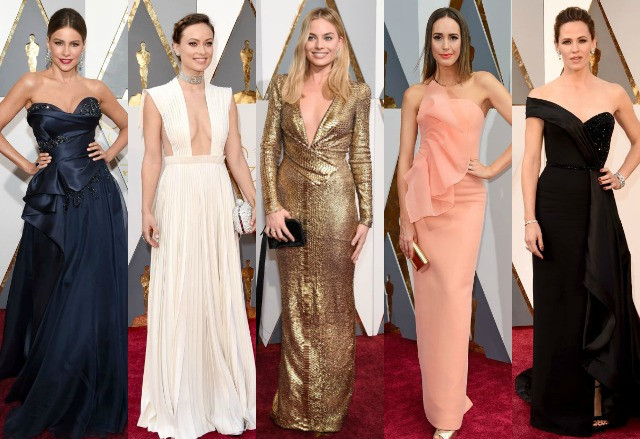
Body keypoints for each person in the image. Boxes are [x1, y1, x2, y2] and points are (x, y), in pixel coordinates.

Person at [0, 8, 127, 438]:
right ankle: (50, 374)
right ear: (48, 43)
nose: (66, 51)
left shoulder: (95, 88)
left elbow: (127, 126)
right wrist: (26, 165)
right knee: (52, 289)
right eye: (59, 43)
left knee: (87, 292)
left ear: (83, 45)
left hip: (96, 199)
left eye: (74, 44)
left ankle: (82, 376)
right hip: (52, 204)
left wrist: (109, 153)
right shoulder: (31, 84)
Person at [518, 7, 640, 436]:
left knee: (600, 293)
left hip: (597, 206)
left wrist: (621, 175)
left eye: (581, 40)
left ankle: (597, 393)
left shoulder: (614, 93)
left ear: (594, 44)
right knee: (561, 301)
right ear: (557, 46)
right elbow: (530, 161)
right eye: (566, 41)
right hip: (553, 206)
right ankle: (562, 398)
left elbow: (639, 139)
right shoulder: (541, 95)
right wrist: (529, 220)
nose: (574, 48)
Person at [137, 13, 256, 438]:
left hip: (215, 195)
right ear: (176, 46)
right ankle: (181, 398)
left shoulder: (225, 97)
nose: (201, 51)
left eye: (207, 43)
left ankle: (219, 395)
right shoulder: (157, 97)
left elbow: (235, 156)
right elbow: (152, 157)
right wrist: (146, 209)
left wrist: (255, 201)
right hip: (178, 195)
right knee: (182, 289)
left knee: (218, 289)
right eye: (192, 43)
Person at [396, 7, 511, 439]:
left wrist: (492, 167)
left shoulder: (483, 83)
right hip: (424, 206)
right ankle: (442, 402)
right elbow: (405, 161)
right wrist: (405, 221)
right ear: (429, 43)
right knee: (430, 308)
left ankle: (448, 414)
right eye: (438, 37)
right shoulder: (414, 95)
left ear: (464, 42)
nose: (446, 46)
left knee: (455, 300)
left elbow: (529, 123)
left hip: (466, 201)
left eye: (453, 37)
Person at [260, 7, 372, 432]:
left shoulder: (357, 93)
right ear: (302, 42)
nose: (319, 45)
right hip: (288, 208)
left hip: (337, 208)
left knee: (335, 307)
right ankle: (294, 408)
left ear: (340, 44)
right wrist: (272, 205)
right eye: (312, 37)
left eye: (328, 37)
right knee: (296, 303)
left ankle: (328, 410)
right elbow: (269, 148)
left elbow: (360, 155)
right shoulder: (282, 86)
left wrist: (366, 216)